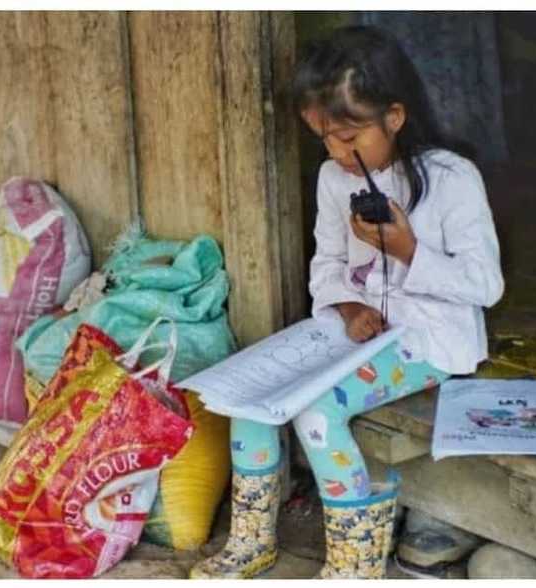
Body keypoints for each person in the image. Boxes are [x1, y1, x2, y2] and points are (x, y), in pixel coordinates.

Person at [190, 25, 503, 579]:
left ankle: (355, 562)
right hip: (357, 332)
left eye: (350, 136)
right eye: (325, 139)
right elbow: (327, 267)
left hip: (425, 339)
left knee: (316, 410)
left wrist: (408, 250)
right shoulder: (335, 181)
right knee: (252, 395)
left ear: (396, 117)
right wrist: (345, 306)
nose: (337, 152)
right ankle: (250, 540)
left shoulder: (453, 179)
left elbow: (485, 286)